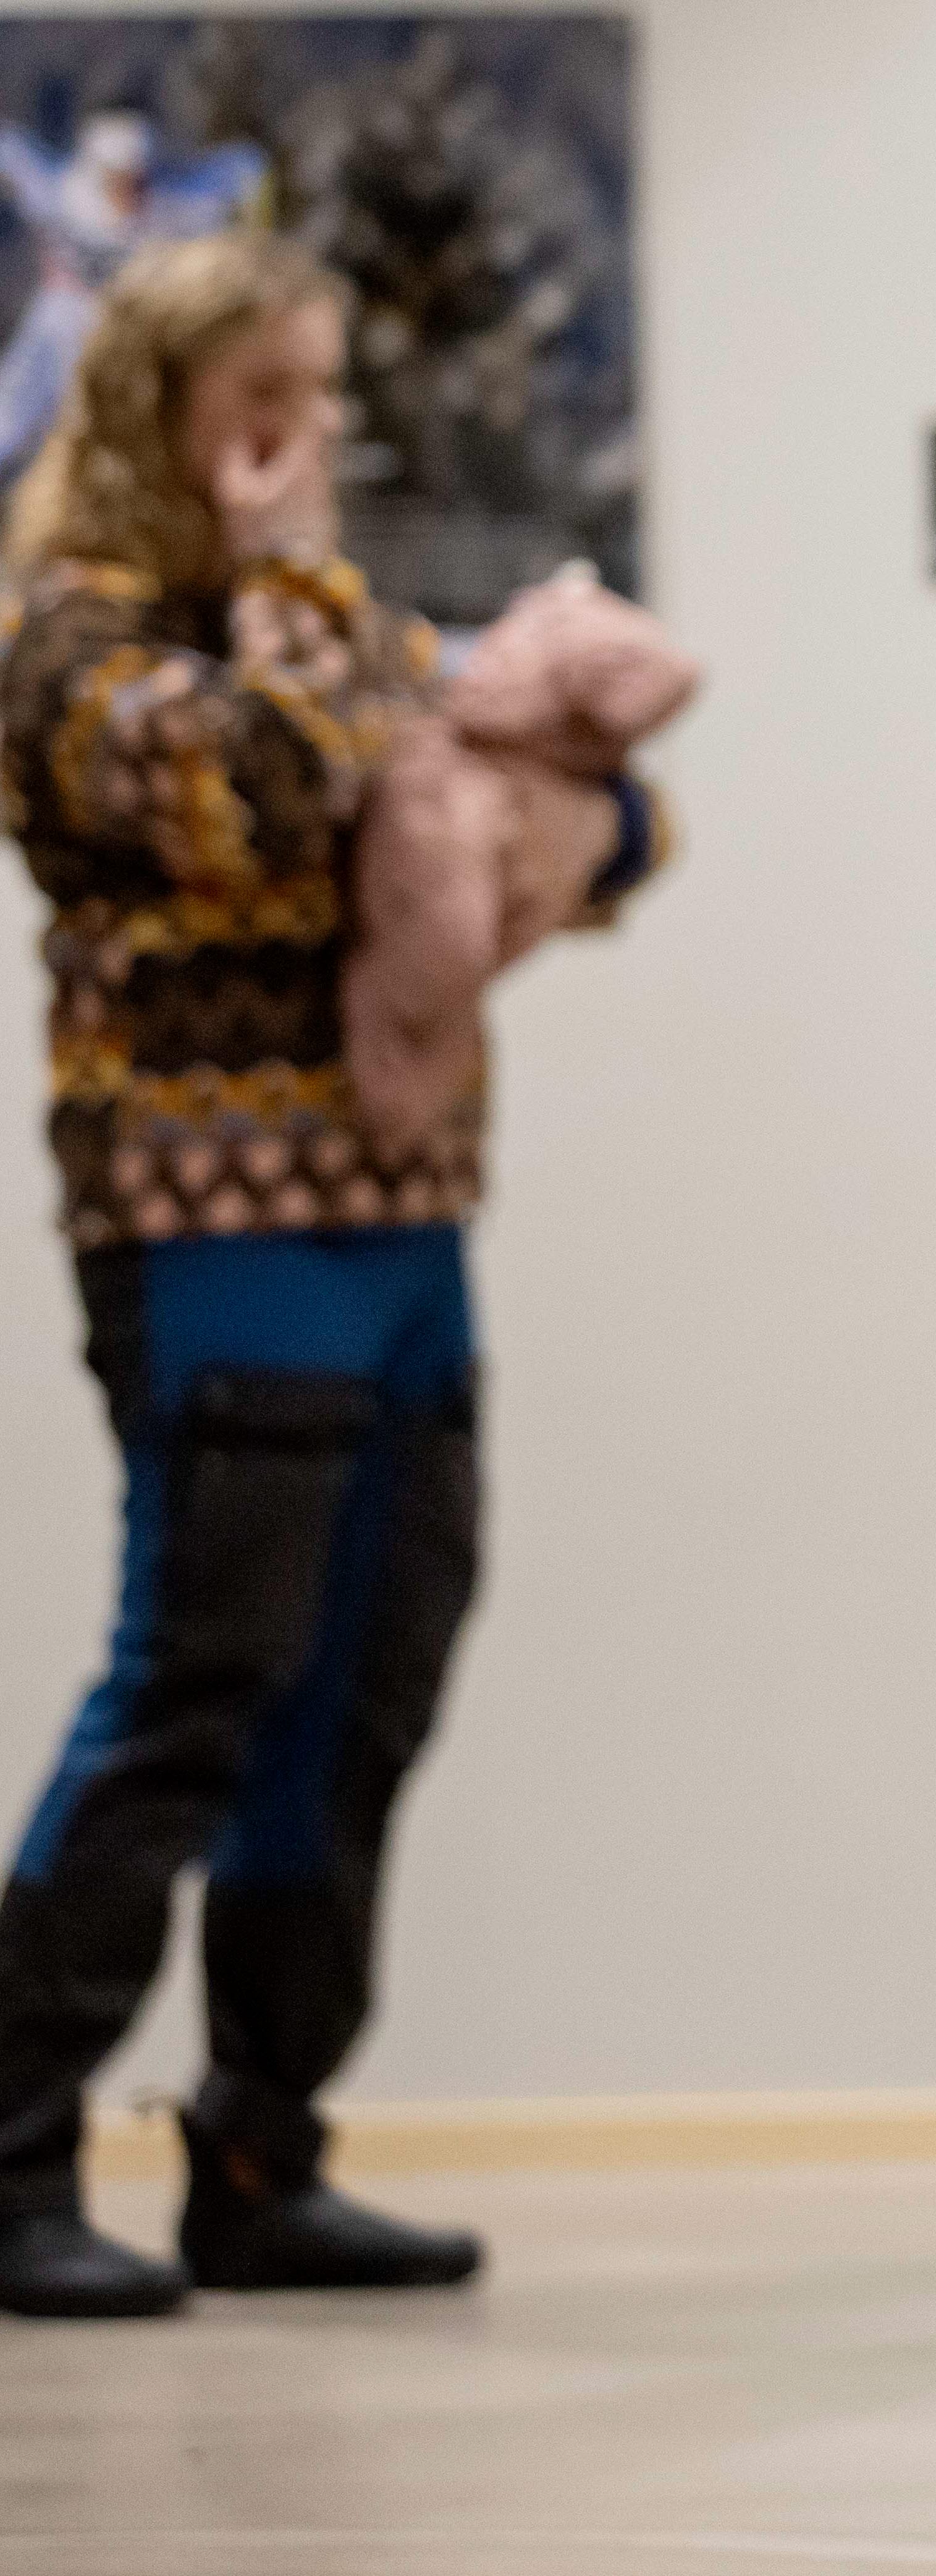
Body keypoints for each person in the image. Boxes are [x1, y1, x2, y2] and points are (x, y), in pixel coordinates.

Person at [0, 231, 670, 2320]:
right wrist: (304, 587)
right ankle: (9, 2160)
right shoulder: (68, 641)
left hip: (402, 1230)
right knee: (198, 1685)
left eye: (319, 398)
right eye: (261, 400)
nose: (302, 445)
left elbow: (594, 819)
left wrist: (559, 808)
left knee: (367, 1687)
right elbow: (277, 785)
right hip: (213, 1240)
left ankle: (260, 2156)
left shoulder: (339, 627)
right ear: (162, 415)